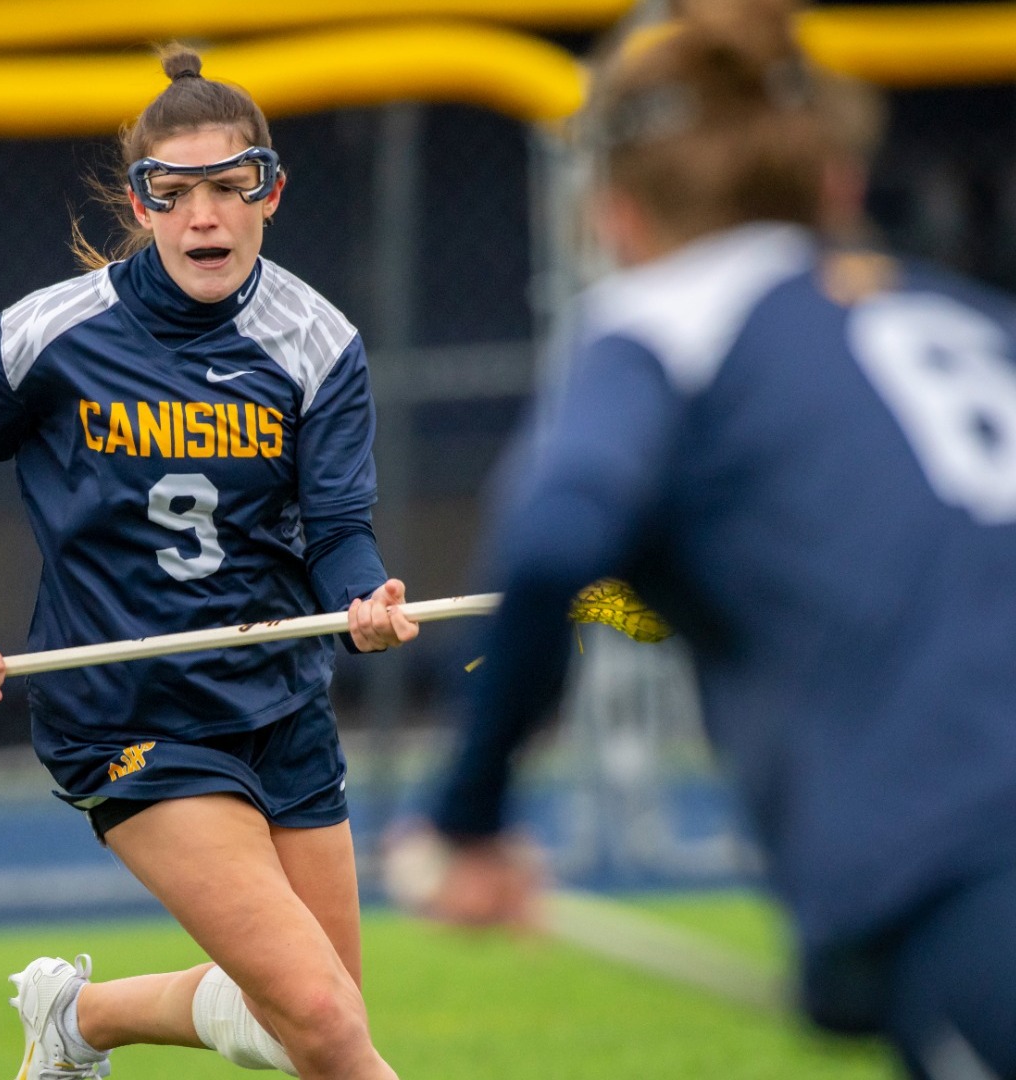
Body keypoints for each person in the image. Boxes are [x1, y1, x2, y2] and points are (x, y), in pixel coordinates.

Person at [397, 3, 1016, 1078]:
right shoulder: (969, 315)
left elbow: (550, 546)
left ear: (614, 214)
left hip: (965, 864)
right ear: (837, 185)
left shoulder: (667, 324)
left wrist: (471, 818)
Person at [0, 46, 417, 1080]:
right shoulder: (55, 331)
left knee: (300, 1022)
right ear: (140, 202)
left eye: (230, 186)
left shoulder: (319, 343)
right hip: (127, 713)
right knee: (322, 1015)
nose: (203, 217)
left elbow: (339, 529)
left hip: (279, 701)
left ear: (269, 190)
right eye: (172, 194)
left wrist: (364, 595)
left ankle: (78, 1018)